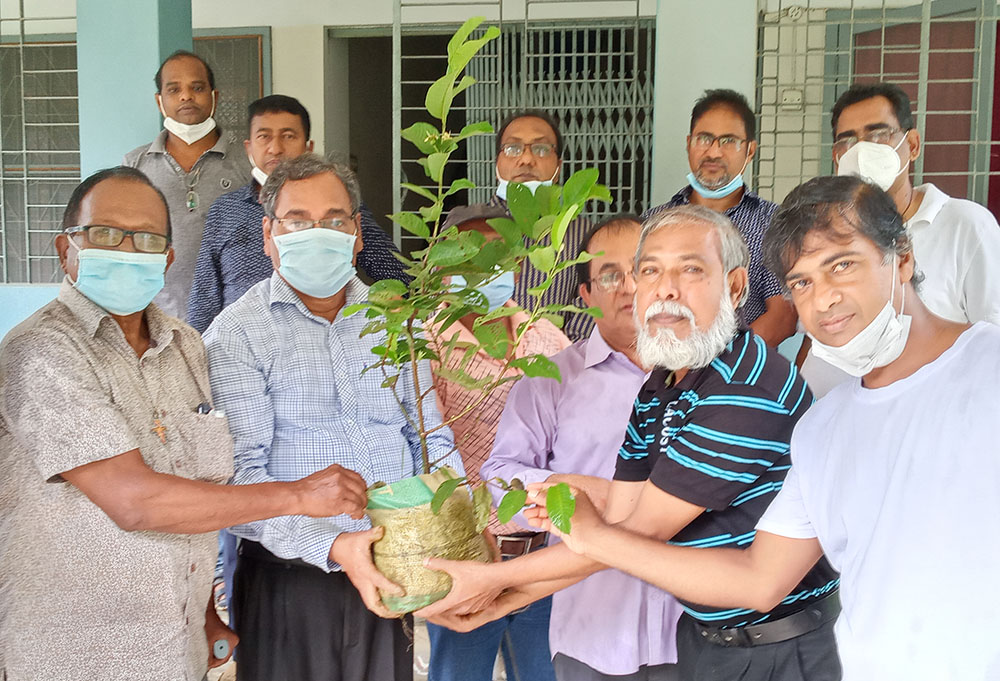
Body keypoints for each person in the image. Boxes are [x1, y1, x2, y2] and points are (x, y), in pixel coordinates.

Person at [523, 175, 1000, 681]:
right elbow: (757, 576)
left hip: (793, 647)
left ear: (902, 258)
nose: (825, 300)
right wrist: (557, 533)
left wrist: (552, 556)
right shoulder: (825, 427)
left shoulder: (986, 369)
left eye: (842, 265)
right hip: (780, 652)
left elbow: (642, 530)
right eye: (802, 283)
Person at [417, 205, 841, 681]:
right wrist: (504, 599)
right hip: (708, 639)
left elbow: (636, 531)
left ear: (736, 286)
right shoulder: (662, 385)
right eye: (651, 271)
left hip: (782, 647)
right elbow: (620, 527)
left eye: (692, 269)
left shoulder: (745, 386)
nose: (666, 289)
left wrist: (495, 580)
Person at [0, 166, 369, 681]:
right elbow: (136, 501)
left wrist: (204, 614)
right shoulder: (41, 351)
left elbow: (197, 483)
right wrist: (298, 496)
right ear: (67, 249)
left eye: (147, 239)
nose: (128, 250)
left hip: (175, 647)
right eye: (106, 234)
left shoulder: (186, 347)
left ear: (168, 259)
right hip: (76, 649)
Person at [203, 154, 461, 681]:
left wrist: (453, 530)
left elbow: (428, 436)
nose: (316, 233)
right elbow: (239, 477)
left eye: (335, 220)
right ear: (269, 236)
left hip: (396, 559)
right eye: (297, 221)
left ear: (358, 233)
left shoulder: (395, 323)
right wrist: (336, 546)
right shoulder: (237, 336)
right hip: (289, 578)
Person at [480, 214, 684, 681]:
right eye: (611, 275)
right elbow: (501, 476)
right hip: (593, 628)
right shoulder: (549, 381)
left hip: (690, 624)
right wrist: (567, 491)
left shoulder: (702, 377)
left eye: (643, 269)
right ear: (586, 296)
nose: (630, 287)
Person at [424, 202, 571, 681]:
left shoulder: (546, 337)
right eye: (469, 254)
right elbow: (422, 451)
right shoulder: (425, 343)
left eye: (499, 254)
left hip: (545, 557)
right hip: (469, 555)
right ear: (443, 265)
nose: (485, 268)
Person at [801, 81, 1000, 395]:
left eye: (879, 135)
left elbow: (992, 339)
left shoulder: (965, 226)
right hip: (833, 414)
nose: (862, 150)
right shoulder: (826, 232)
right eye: (848, 141)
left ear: (913, 144)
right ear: (837, 157)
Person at [187, 94, 406, 334]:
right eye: (264, 137)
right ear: (249, 146)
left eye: (288, 136)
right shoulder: (225, 210)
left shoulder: (339, 209)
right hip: (245, 342)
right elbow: (204, 299)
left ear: (308, 147)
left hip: (327, 338)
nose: (275, 148)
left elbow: (396, 276)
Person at [643, 89, 796, 347]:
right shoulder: (652, 223)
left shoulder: (774, 223)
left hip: (741, 376)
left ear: (750, 150)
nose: (713, 152)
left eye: (728, 141)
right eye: (704, 139)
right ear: (689, 143)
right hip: (662, 374)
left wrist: (718, 364)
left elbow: (783, 315)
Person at [123, 50, 251, 319]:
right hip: (159, 320)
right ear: (160, 101)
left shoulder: (248, 161)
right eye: (174, 89)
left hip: (235, 319)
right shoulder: (135, 165)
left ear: (215, 97)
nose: (186, 96)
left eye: (197, 87)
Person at [487, 110, 593, 341]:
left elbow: (589, 309)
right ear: (497, 162)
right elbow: (443, 307)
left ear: (558, 167)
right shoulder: (466, 226)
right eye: (513, 148)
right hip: (475, 369)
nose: (526, 159)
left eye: (541, 149)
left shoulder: (582, 233)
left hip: (554, 370)